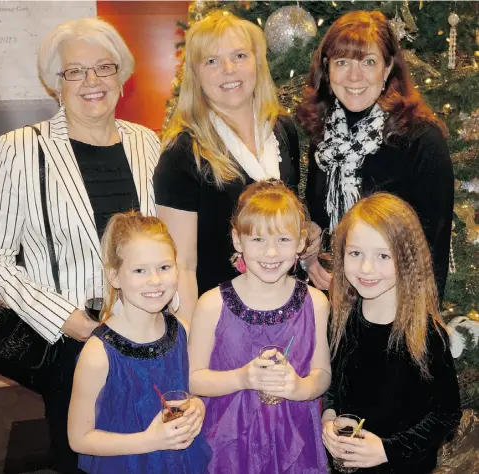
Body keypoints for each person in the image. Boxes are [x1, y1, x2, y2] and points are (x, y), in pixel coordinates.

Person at [0, 18, 159, 473]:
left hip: (149, 334)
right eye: (75, 71)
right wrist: (69, 321)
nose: (92, 82)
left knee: (151, 450)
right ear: (55, 83)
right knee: (83, 458)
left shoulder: (148, 143)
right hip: (74, 342)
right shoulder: (20, 147)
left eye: (103, 67)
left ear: (123, 75)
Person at [153, 10, 301, 322]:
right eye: (212, 61)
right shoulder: (183, 153)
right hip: (220, 322)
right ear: (196, 75)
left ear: (257, 64)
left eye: (239, 56)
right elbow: (182, 265)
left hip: (287, 311)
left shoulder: (282, 131)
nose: (229, 70)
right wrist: (192, 346)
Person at [297, 10, 454, 300]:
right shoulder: (324, 137)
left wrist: (415, 325)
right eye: (342, 62)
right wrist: (310, 256)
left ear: (387, 69)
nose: (354, 76)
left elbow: (433, 246)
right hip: (334, 300)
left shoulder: (420, 138)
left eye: (368, 62)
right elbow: (321, 221)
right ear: (327, 69)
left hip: (395, 308)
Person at [188, 181, 331, 473]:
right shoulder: (211, 304)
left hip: (295, 437)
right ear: (238, 241)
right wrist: (243, 378)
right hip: (227, 443)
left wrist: (300, 386)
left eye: (283, 240)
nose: (270, 253)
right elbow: (192, 379)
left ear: (301, 242)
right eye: (257, 240)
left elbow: (323, 373)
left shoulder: (316, 303)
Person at [322, 193, 461, 474]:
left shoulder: (427, 333)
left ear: (408, 259)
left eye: (383, 255)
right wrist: (329, 418)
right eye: (355, 253)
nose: (366, 268)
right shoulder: (341, 318)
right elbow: (335, 387)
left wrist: (387, 450)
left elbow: (446, 416)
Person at [67, 212, 211, 473]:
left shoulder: (183, 333)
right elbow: (79, 438)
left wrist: (198, 405)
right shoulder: (98, 354)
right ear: (114, 277)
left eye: (164, 267)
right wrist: (150, 440)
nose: (155, 280)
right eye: (139, 270)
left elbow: (193, 389)